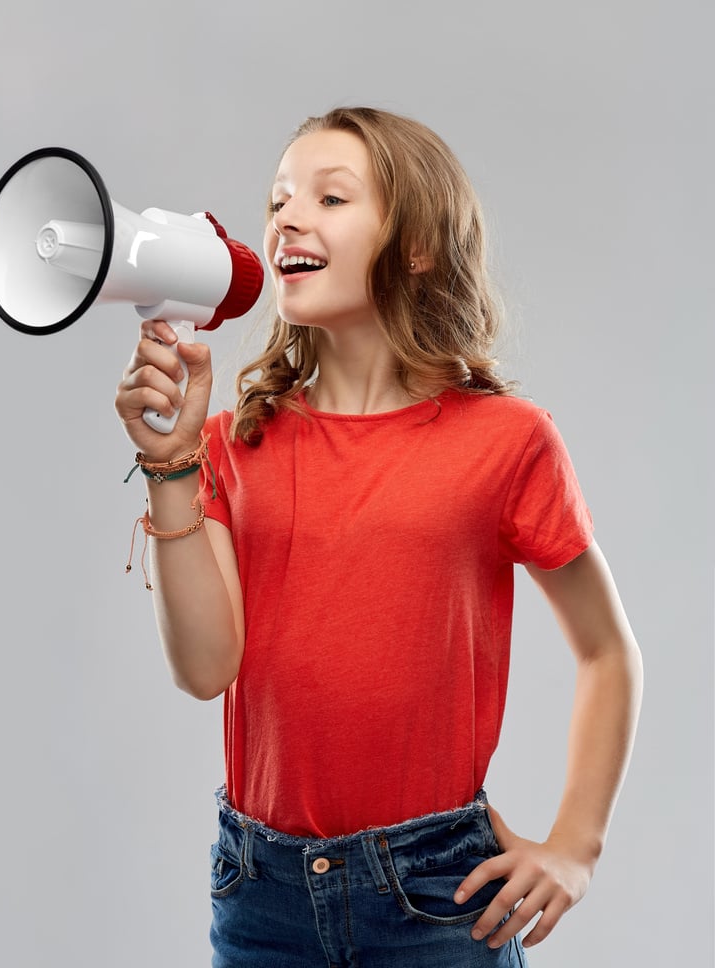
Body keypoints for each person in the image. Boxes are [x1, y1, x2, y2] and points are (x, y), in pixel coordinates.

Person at [115, 107, 643, 967]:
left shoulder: (507, 441)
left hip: (436, 897)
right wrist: (171, 465)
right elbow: (205, 668)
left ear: (419, 244)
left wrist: (575, 846)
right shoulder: (229, 445)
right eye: (279, 199)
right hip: (261, 898)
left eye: (331, 197)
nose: (287, 217)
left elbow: (608, 652)